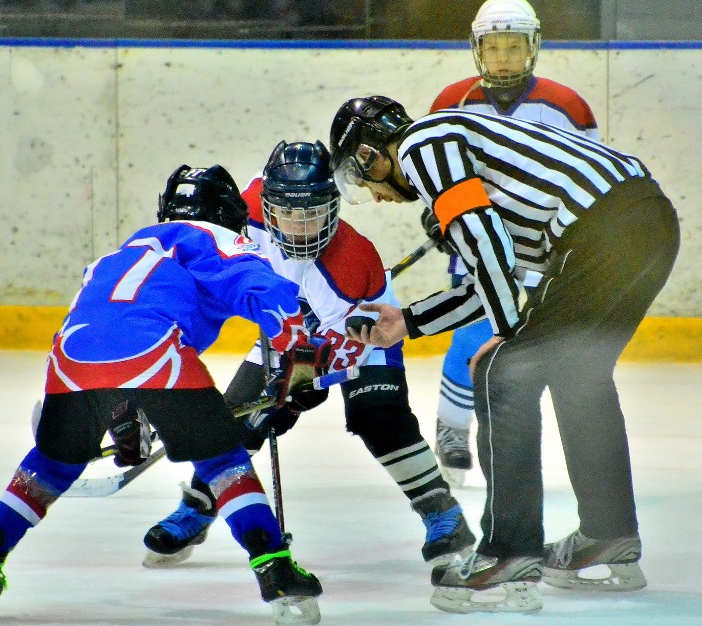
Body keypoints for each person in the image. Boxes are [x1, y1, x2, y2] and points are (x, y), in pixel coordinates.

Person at [328, 96, 680, 613]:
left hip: (602, 229)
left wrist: (506, 333)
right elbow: (492, 275)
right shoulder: (487, 172)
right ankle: (609, 533)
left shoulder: (424, 144)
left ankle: (508, 551)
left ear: (369, 155)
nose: (376, 198)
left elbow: (486, 246)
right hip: (648, 224)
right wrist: (408, 322)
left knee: (502, 371)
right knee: (580, 375)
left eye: (363, 183)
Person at [0, 164, 324, 626]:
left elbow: (107, 330)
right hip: (155, 351)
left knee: (51, 465)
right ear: (229, 213)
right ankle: (276, 571)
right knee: (222, 462)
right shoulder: (214, 238)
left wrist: (122, 411)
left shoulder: (121, 253)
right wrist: (300, 354)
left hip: (71, 357)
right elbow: (263, 289)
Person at [139, 141, 475, 573]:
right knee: (235, 420)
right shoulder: (243, 213)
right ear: (267, 207)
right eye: (289, 214)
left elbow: (349, 349)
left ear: (333, 207)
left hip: (365, 332)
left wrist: (300, 389)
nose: (301, 227)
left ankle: (442, 513)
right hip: (287, 326)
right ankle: (199, 507)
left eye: (313, 214)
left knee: (379, 417)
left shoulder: (353, 261)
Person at [424, 0, 600, 488]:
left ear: (533, 47)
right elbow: (435, 172)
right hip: (478, 237)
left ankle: (526, 442)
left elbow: (588, 180)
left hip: (545, 243)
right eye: (493, 47)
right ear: (478, 49)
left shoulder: (567, 107)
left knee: (540, 341)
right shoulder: (452, 102)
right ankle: (452, 430)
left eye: (514, 46)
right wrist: (438, 214)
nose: (503, 57)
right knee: (472, 331)